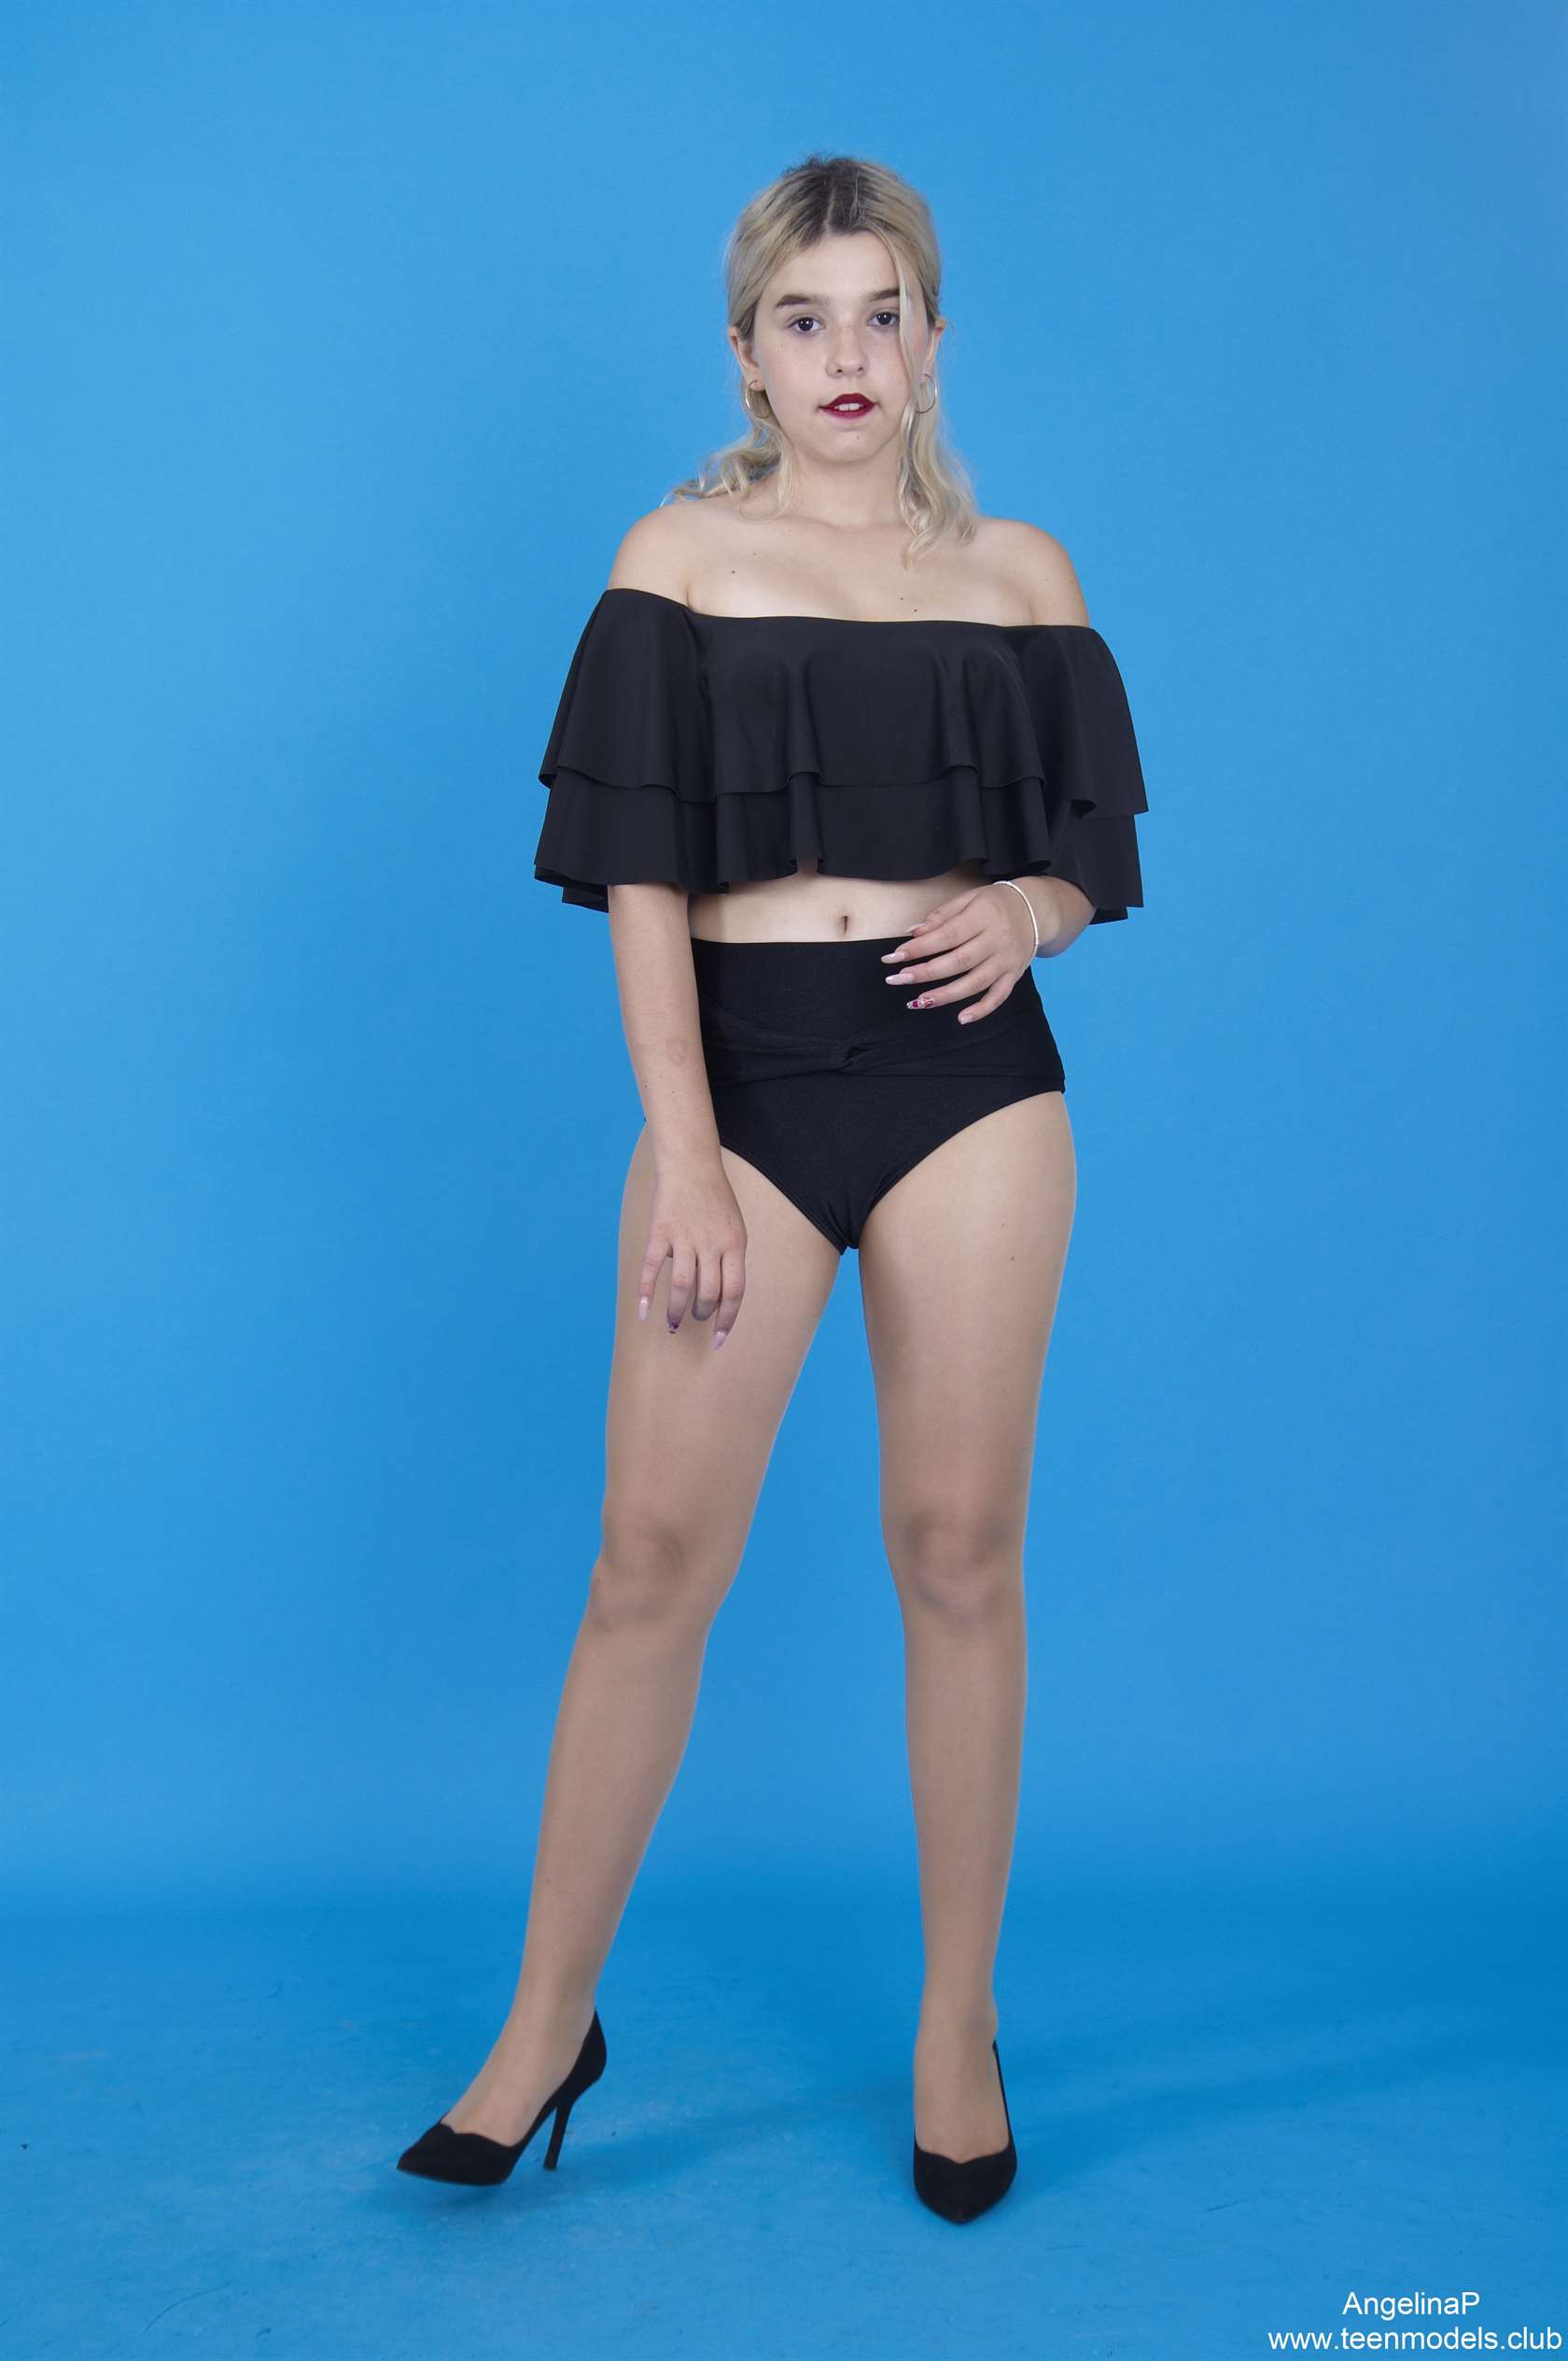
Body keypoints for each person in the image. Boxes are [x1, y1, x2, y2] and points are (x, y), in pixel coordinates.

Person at [398, 150, 1148, 2225]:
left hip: (969, 1080)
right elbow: (640, 873)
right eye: (804, 319)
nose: (846, 355)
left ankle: (955, 2026)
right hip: (736, 1085)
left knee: (959, 1548)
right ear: (745, 354)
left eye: (881, 314)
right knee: (650, 1558)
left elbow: (1092, 852)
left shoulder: (1020, 571)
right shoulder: (680, 557)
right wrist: (685, 1148)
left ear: (934, 340)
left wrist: (1029, 906)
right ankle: (545, 2024)